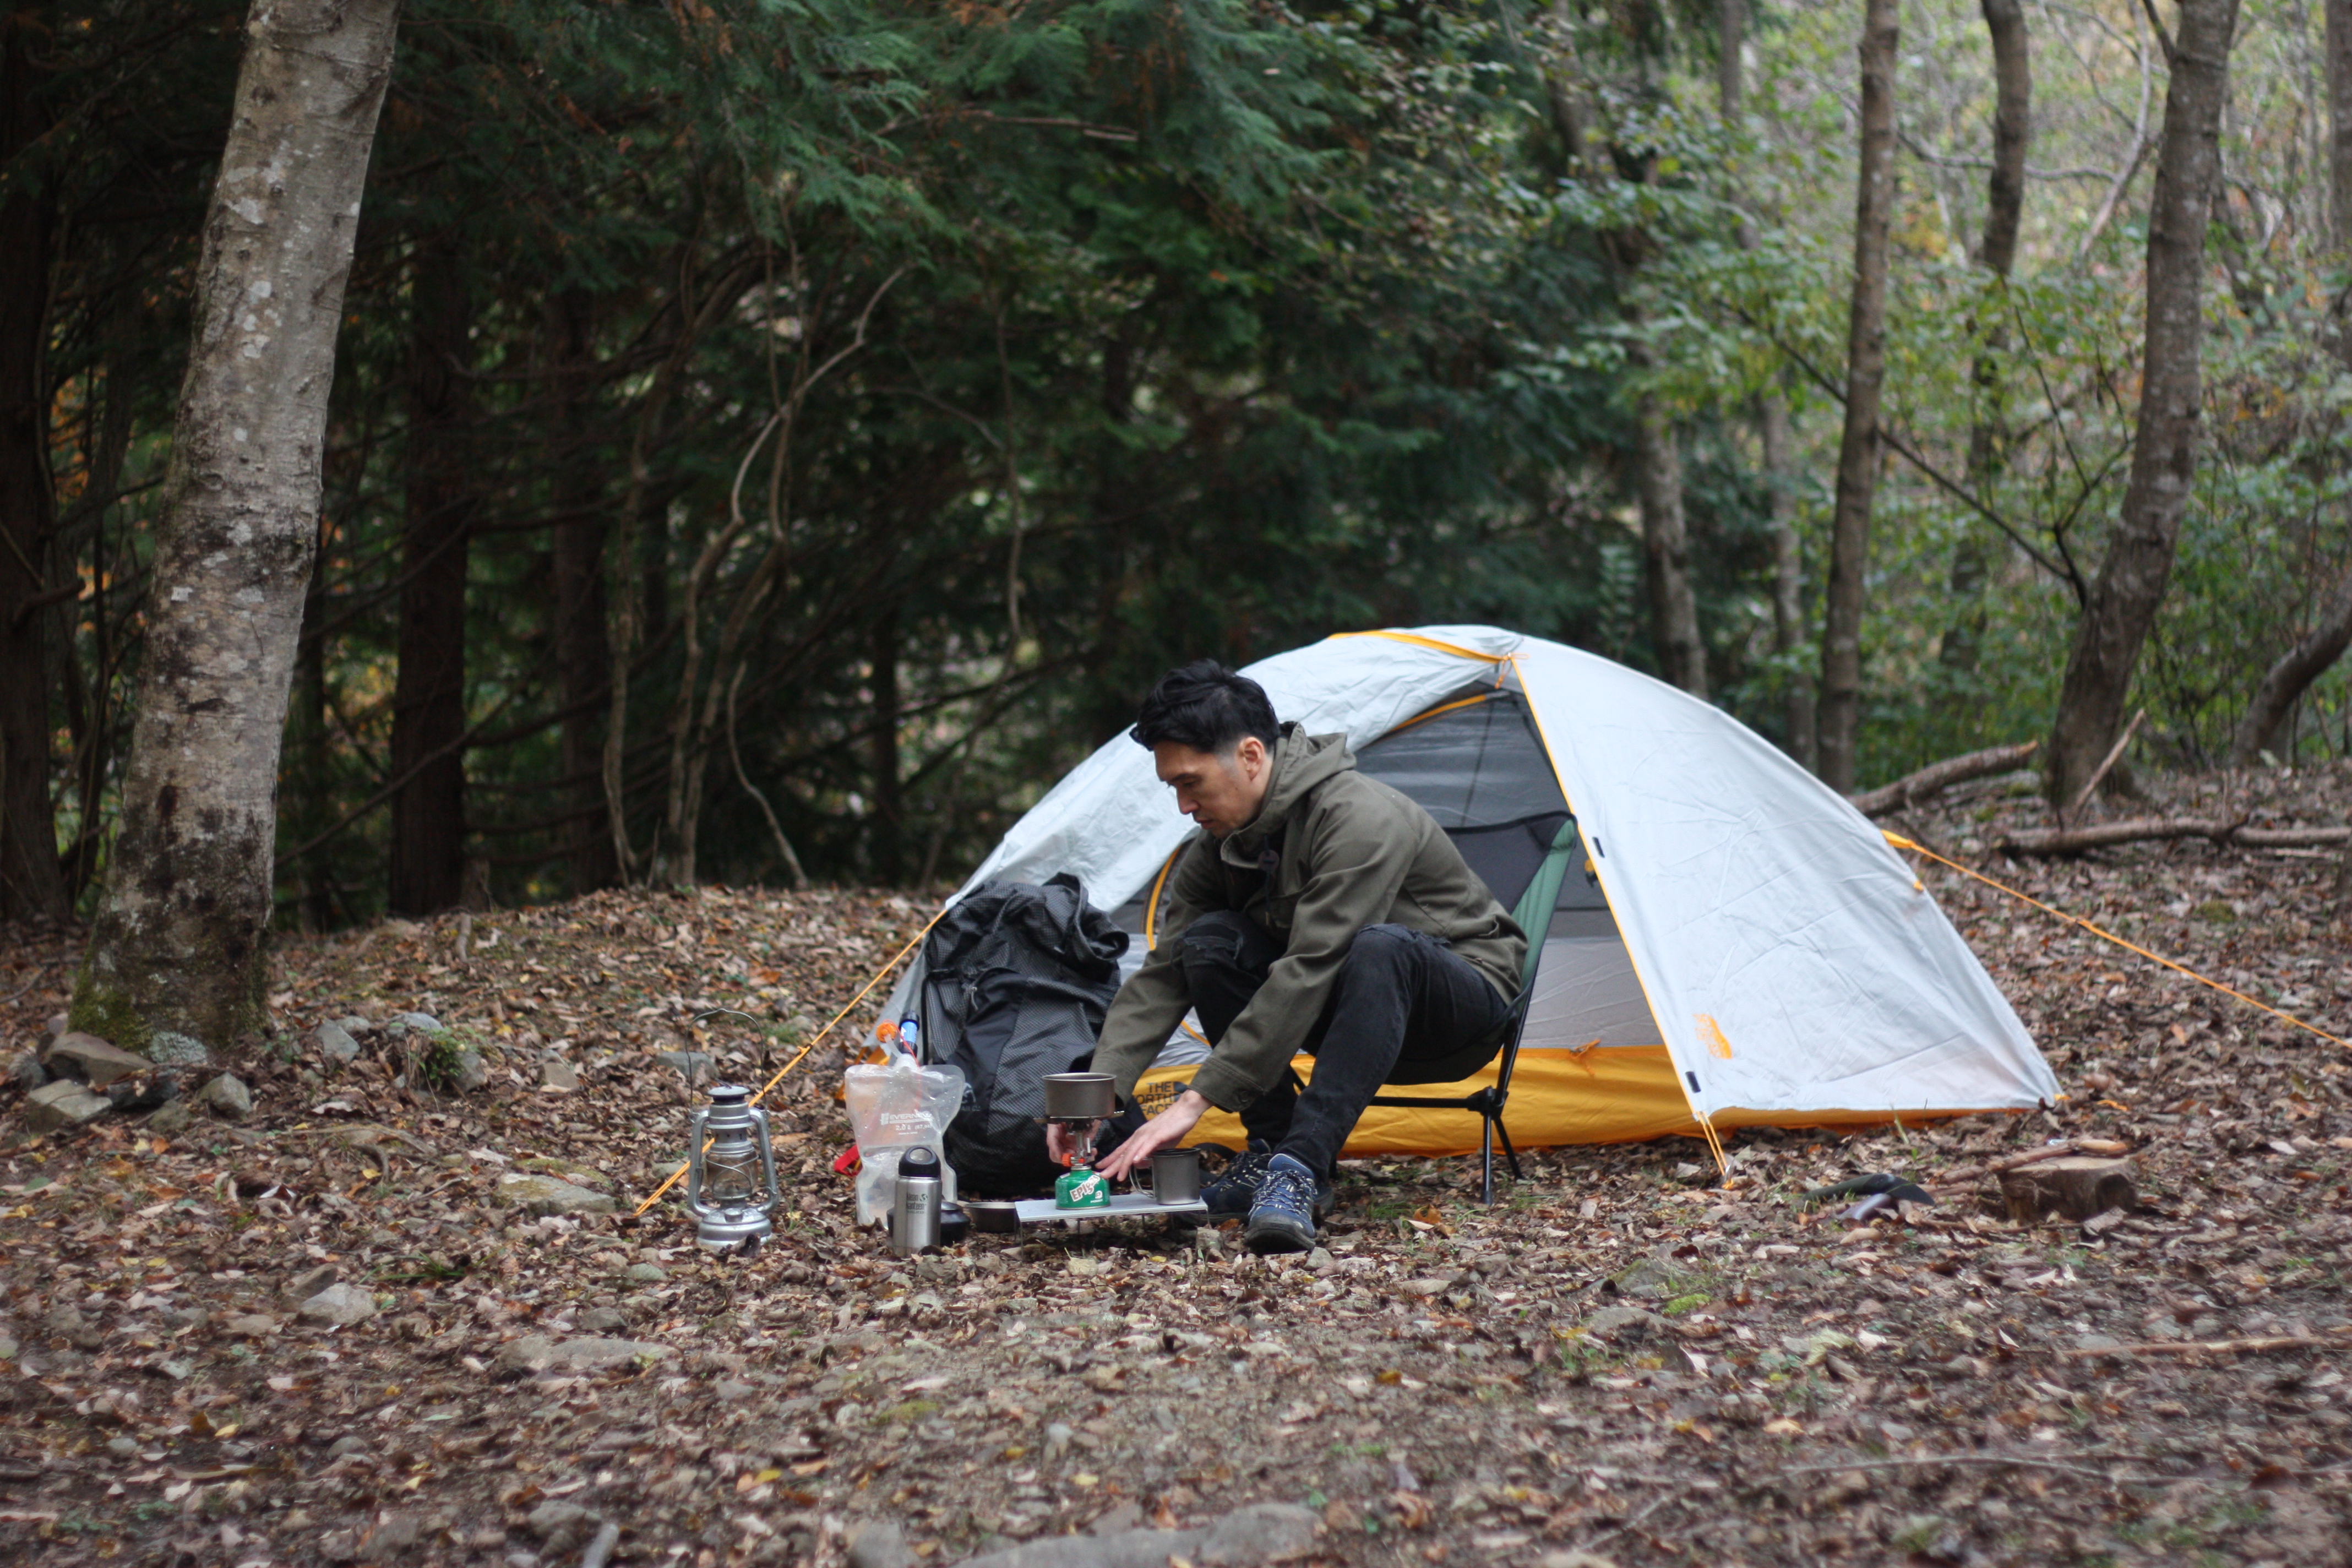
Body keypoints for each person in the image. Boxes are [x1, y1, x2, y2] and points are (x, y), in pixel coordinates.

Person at [1065, 660, 1527, 1253]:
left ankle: (1299, 1165)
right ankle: (1273, 1150)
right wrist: (1097, 1097)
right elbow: (1166, 972)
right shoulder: (1221, 845)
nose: (1183, 805)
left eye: (1191, 783)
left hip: (1457, 1011)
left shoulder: (1359, 817)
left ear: (1251, 756)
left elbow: (1312, 963)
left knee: (1381, 947)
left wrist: (1195, 1100)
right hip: (1345, 1011)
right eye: (1173, 787)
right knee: (1208, 941)